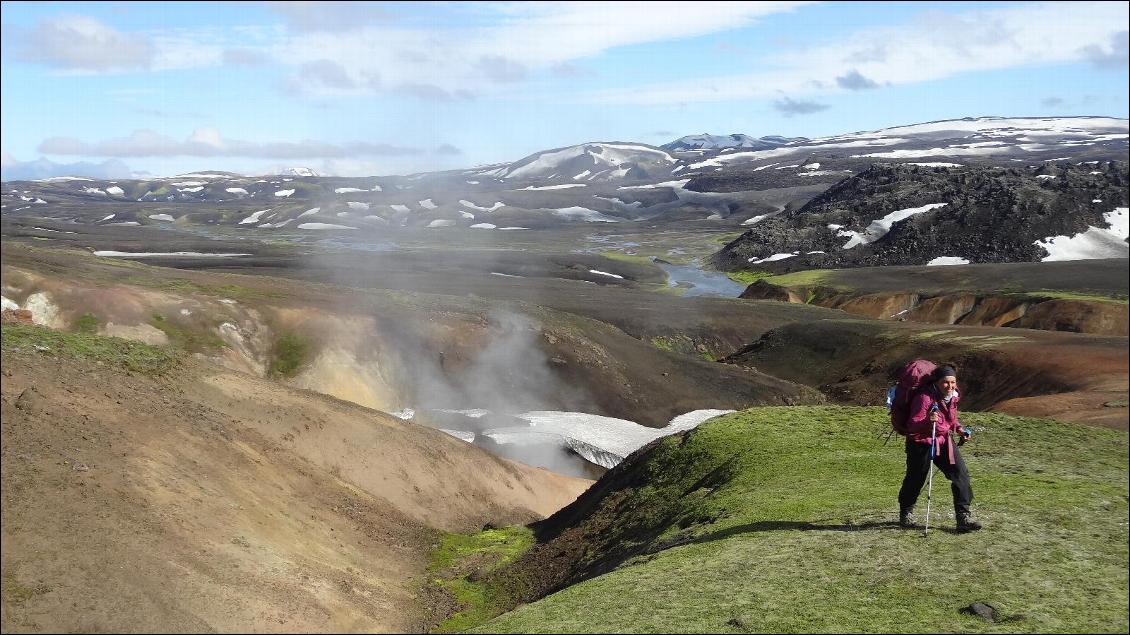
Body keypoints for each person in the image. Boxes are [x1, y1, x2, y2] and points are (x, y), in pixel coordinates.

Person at [898, 365, 982, 532]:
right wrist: (928, 421)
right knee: (915, 479)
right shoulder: (924, 397)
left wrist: (960, 429)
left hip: (943, 441)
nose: (950, 386)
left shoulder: (952, 396)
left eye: (953, 382)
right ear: (936, 382)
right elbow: (913, 424)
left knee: (960, 474)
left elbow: (951, 419)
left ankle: (963, 517)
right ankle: (906, 513)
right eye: (945, 382)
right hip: (920, 443)